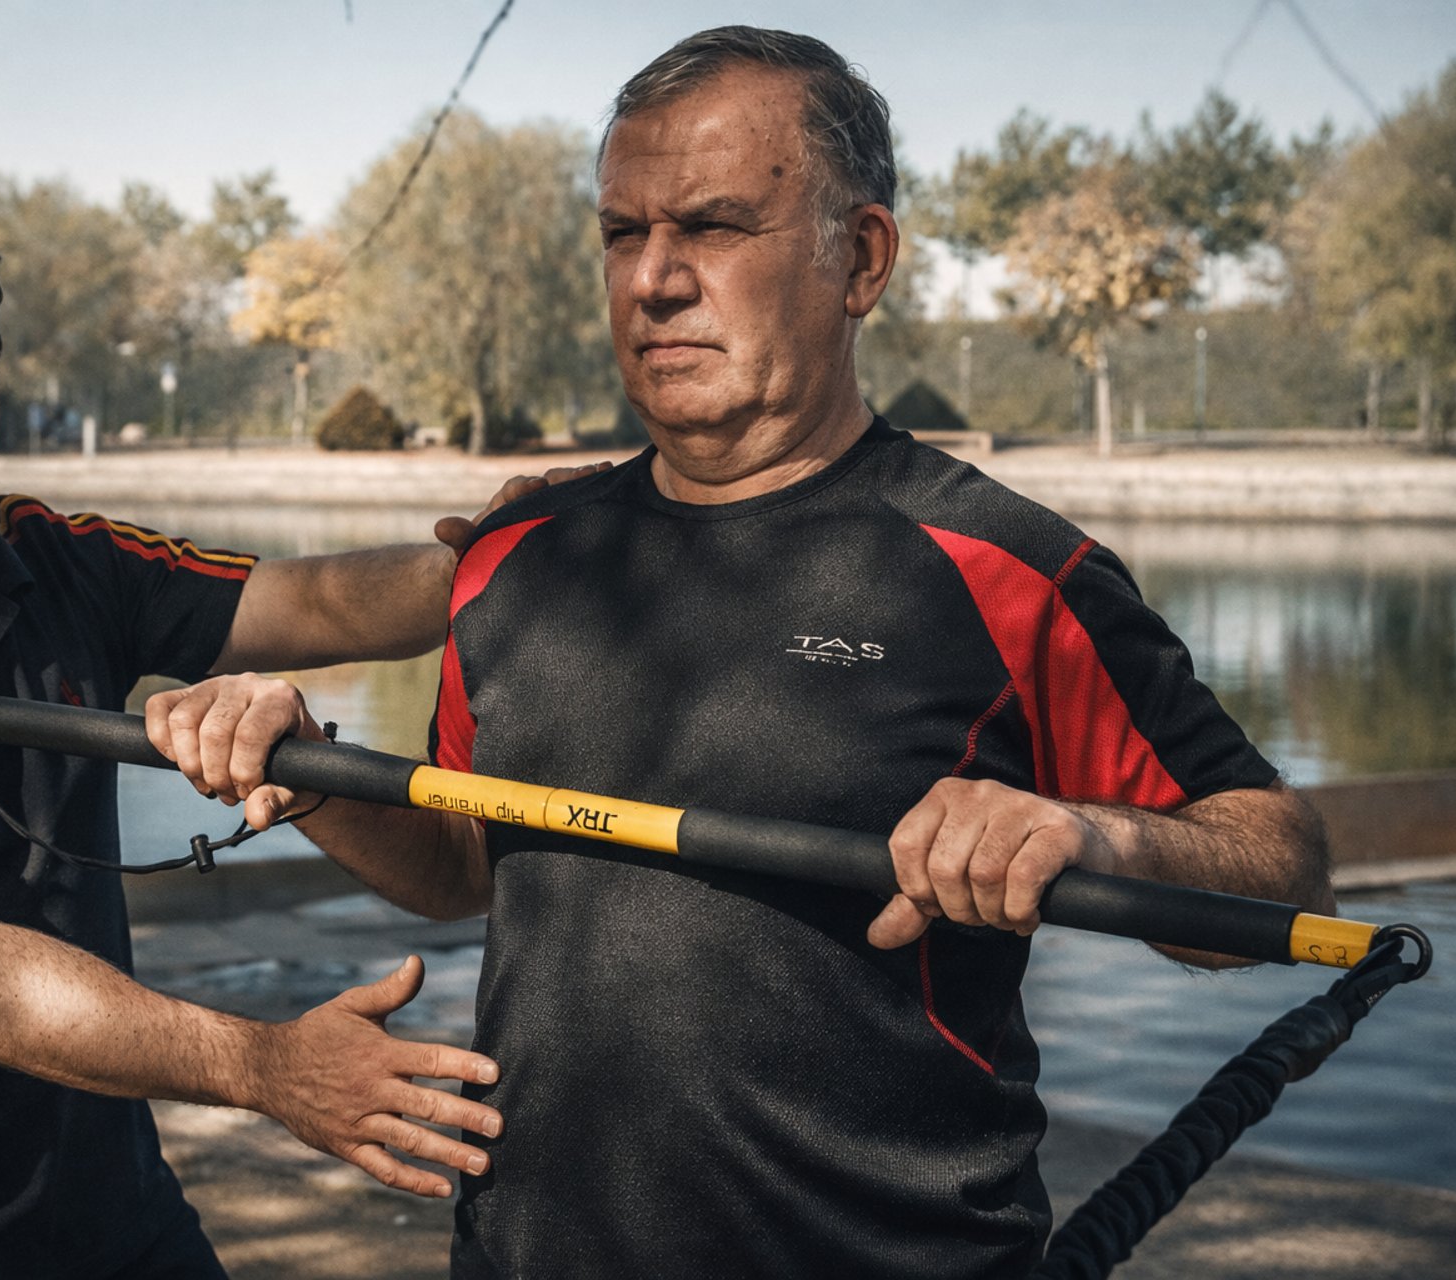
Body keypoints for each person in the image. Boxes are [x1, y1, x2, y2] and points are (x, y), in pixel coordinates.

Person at [151, 26, 1339, 1279]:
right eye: (622, 232)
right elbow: (464, 862)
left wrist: (1100, 836)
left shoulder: (1009, 568)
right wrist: (308, 768)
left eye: (713, 226)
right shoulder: (519, 557)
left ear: (860, 258)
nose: (653, 279)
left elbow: (1283, 868)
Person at [0, 192, 600, 1279]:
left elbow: (313, 603)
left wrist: (513, 556)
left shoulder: (50, 552)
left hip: (128, 1224)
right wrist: (266, 1065)